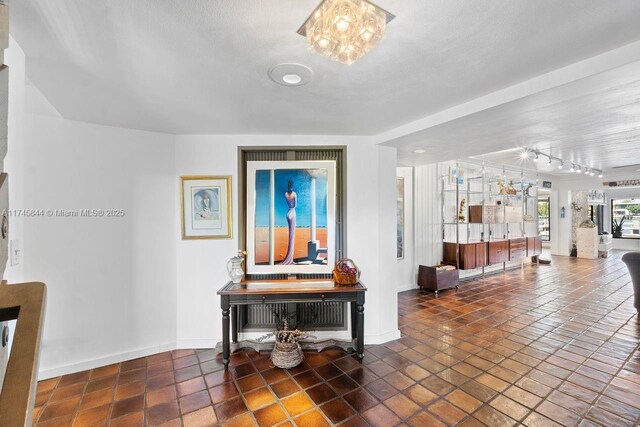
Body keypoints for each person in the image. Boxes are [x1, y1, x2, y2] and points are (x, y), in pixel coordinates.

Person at [279, 180, 297, 265]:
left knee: (290, 235)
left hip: (288, 212)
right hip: (292, 212)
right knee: (292, 236)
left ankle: (289, 258)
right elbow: (295, 205)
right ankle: (290, 259)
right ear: (292, 186)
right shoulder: (294, 194)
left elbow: (288, 203)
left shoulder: (285, 194)